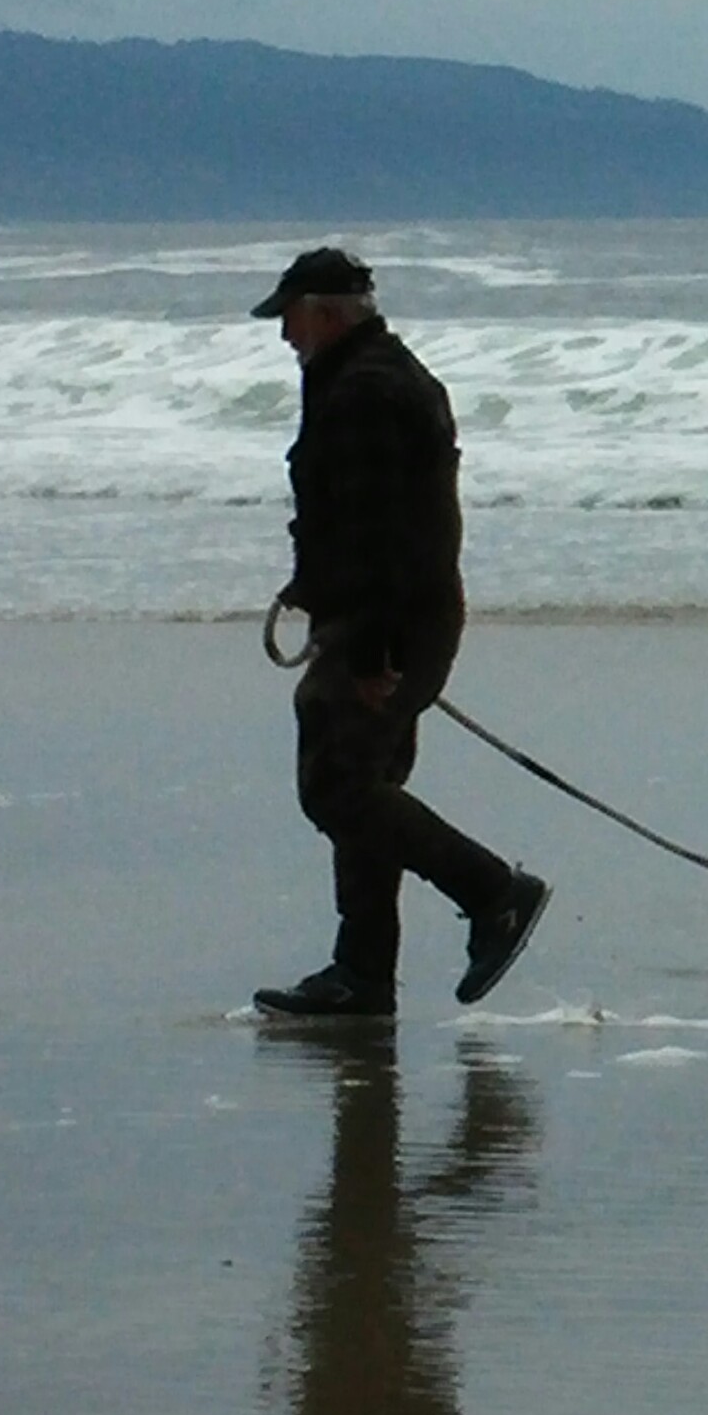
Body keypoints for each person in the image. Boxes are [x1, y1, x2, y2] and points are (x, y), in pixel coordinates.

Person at [251, 247, 551, 1021]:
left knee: (338, 788)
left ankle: (494, 893)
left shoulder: (366, 392)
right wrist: (314, 588)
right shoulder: (366, 378)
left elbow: (386, 533)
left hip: (388, 619)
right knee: (363, 788)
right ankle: (362, 975)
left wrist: (378, 652)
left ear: (321, 312)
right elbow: (361, 519)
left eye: (287, 318)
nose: (284, 336)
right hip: (391, 612)